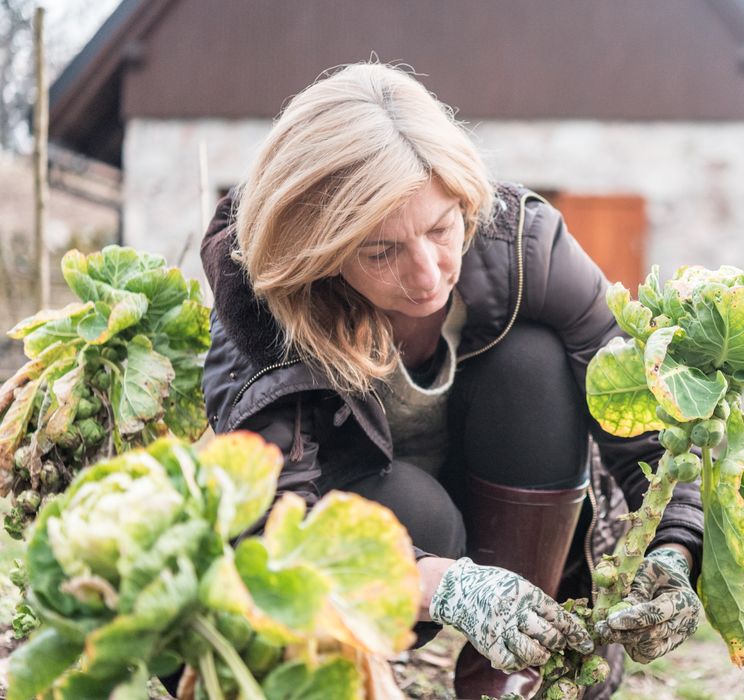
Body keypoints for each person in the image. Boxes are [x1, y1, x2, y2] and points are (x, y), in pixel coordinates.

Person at [199, 62, 704, 699]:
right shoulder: (265, 301)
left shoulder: (525, 245)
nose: (427, 274)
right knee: (419, 511)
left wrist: (674, 550)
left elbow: (648, 423)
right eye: (379, 251)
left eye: (441, 229)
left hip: (508, 484)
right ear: (319, 251)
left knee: (536, 362)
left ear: (463, 196)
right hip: (374, 514)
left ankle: (517, 668)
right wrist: (444, 584)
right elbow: (272, 526)